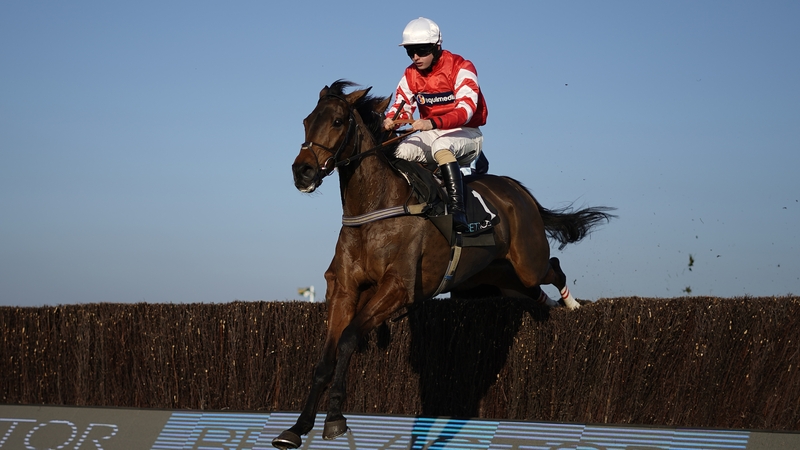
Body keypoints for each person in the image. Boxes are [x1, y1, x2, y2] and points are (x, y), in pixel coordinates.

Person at [383, 17, 488, 233]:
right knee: (398, 151)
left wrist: (432, 122)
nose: (415, 57)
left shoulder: (462, 67)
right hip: (432, 131)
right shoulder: (410, 74)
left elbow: (466, 110)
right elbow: (402, 106)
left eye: (421, 50)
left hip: (466, 132)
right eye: (410, 51)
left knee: (442, 146)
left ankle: (459, 211)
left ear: (436, 46)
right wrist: (391, 120)